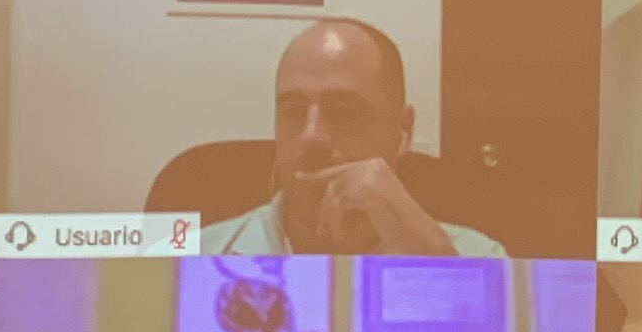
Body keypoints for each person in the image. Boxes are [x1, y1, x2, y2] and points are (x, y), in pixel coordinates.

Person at [191, 18, 504, 257]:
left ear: (403, 133)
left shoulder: (480, 260)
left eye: (343, 113)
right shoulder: (191, 256)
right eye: (294, 112)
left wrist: (429, 255)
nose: (311, 137)